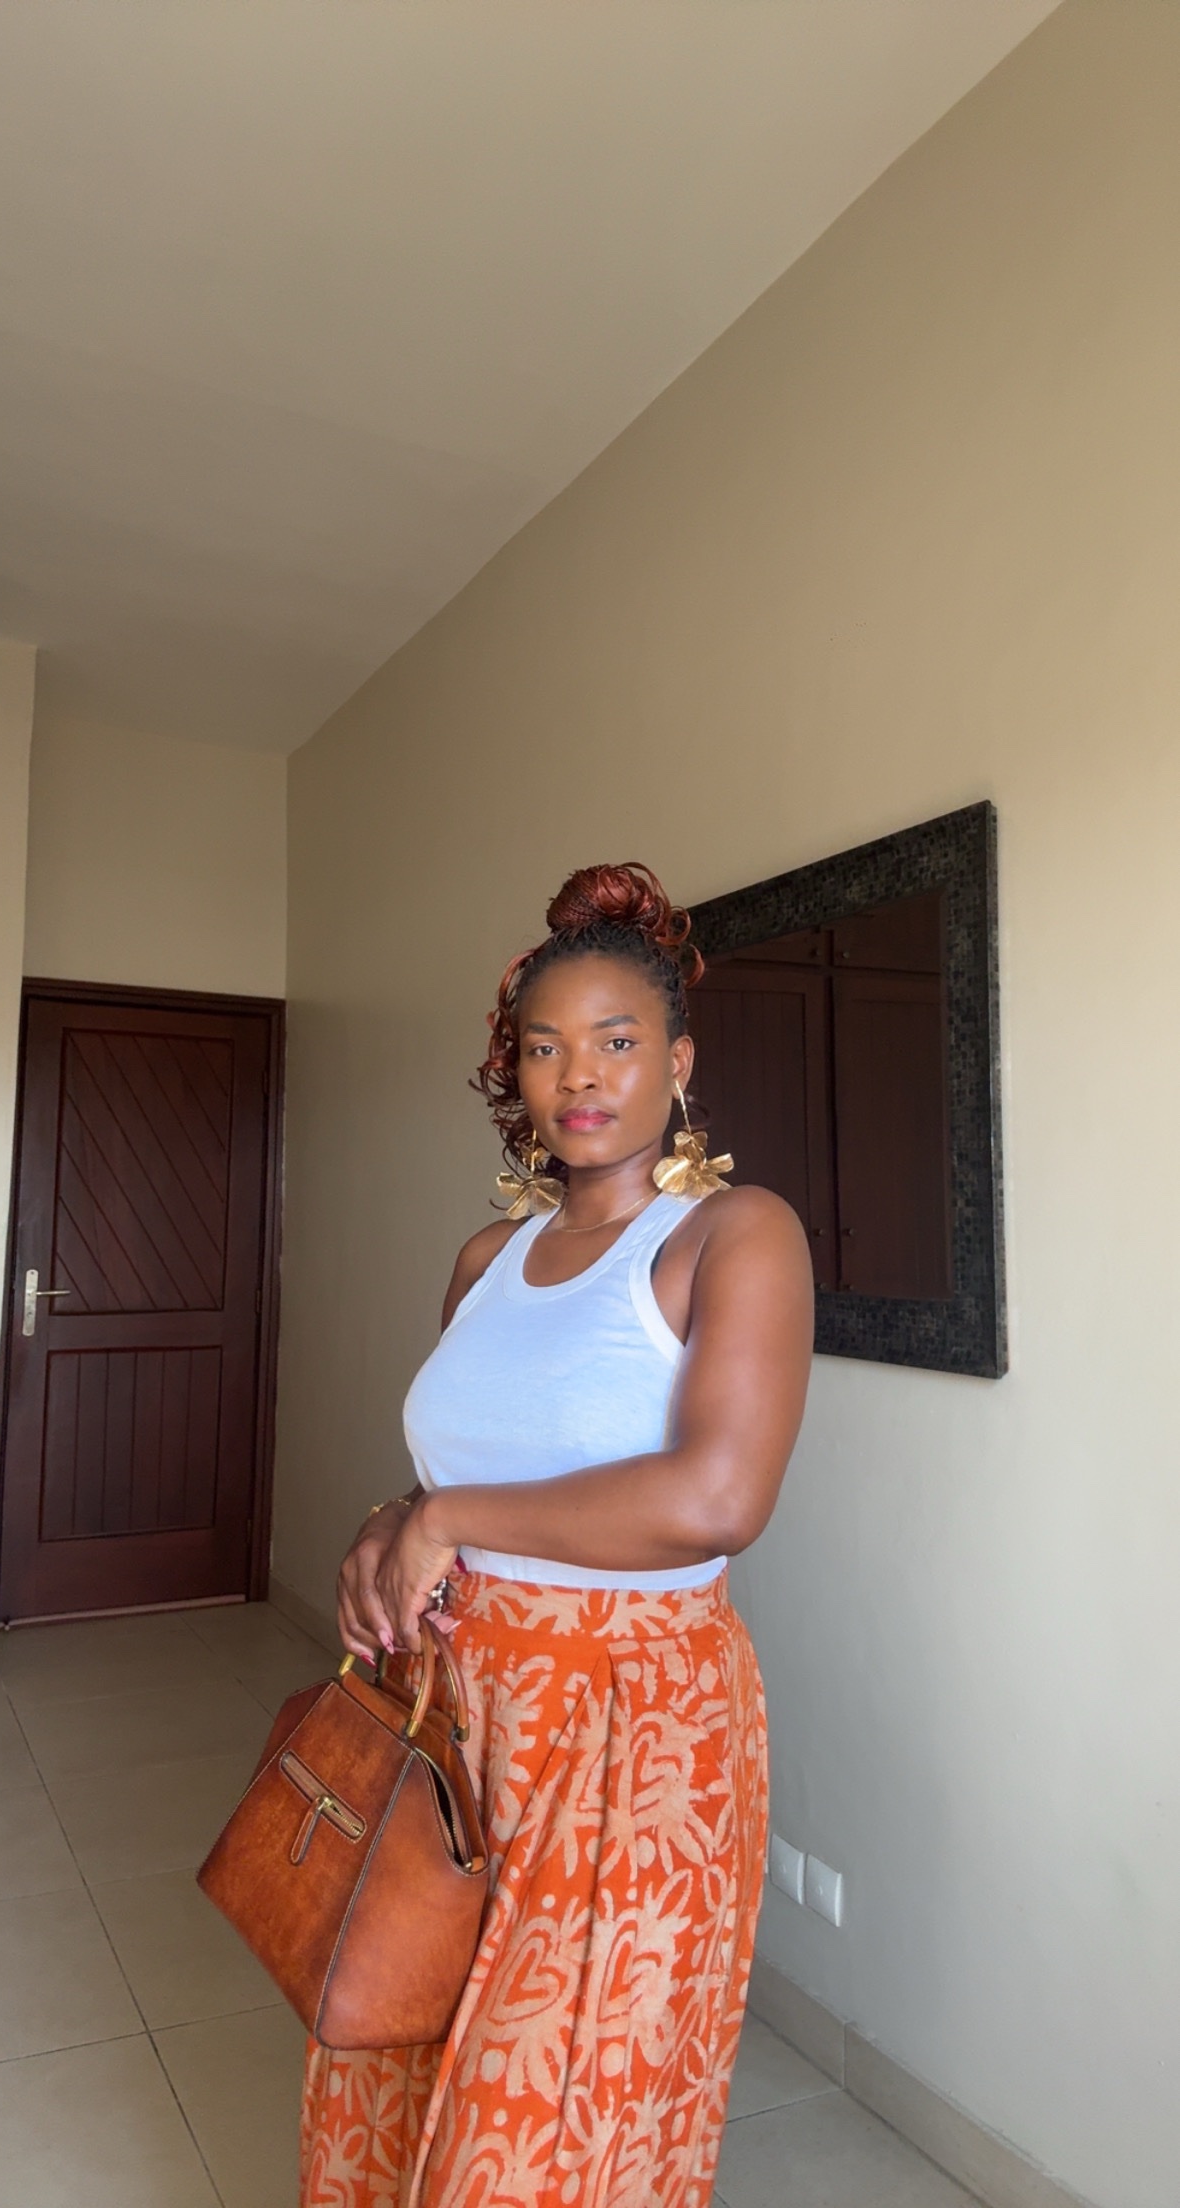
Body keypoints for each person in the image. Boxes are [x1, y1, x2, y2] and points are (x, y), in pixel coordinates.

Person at [300, 861, 813, 2208]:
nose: (579, 1075)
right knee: (408, 2040)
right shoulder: (488, 1261)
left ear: (676, 1063)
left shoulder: (733, 1236)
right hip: (453, 1713)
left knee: (553, 2119)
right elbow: (459, 1466)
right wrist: (394, 1524)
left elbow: (716, 1498)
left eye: (616, 1041)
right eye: (545, 1047)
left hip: (630, 1730)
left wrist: (449, 1516)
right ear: (514, 1074)